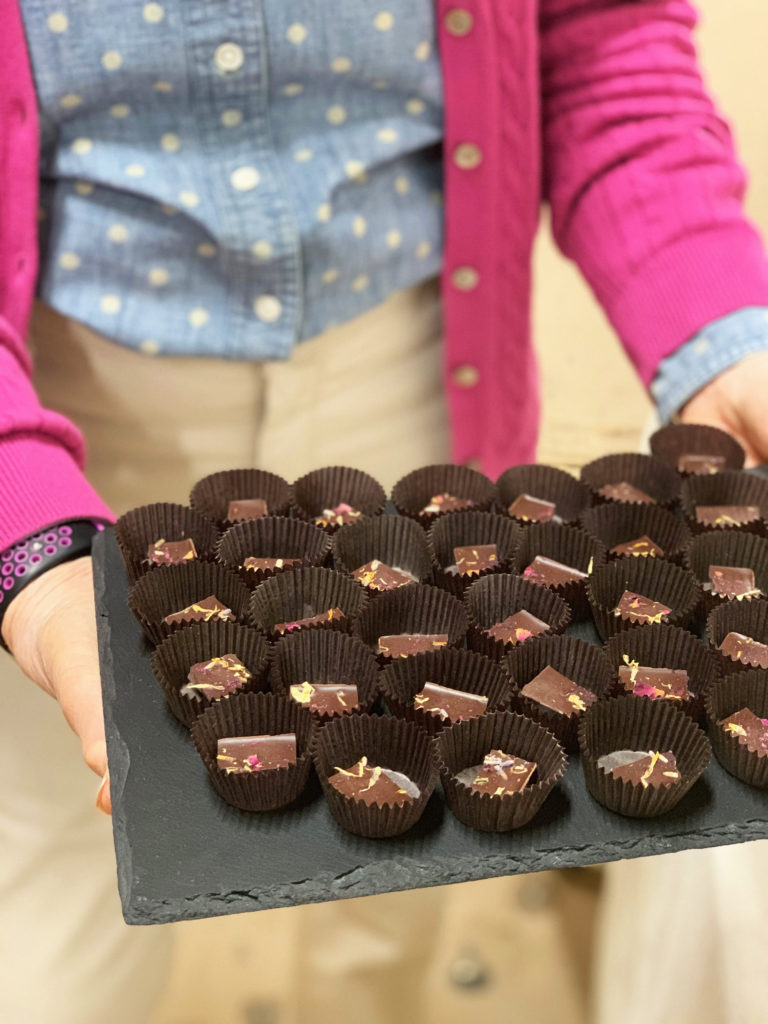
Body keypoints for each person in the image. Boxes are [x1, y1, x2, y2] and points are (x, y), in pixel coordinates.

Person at [2, 1, 768, 1022]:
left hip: (418, 370)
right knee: (59, 872)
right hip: (70, 412)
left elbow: (605, 39)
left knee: (403, 869)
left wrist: (723, 329)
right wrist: (27, 534)